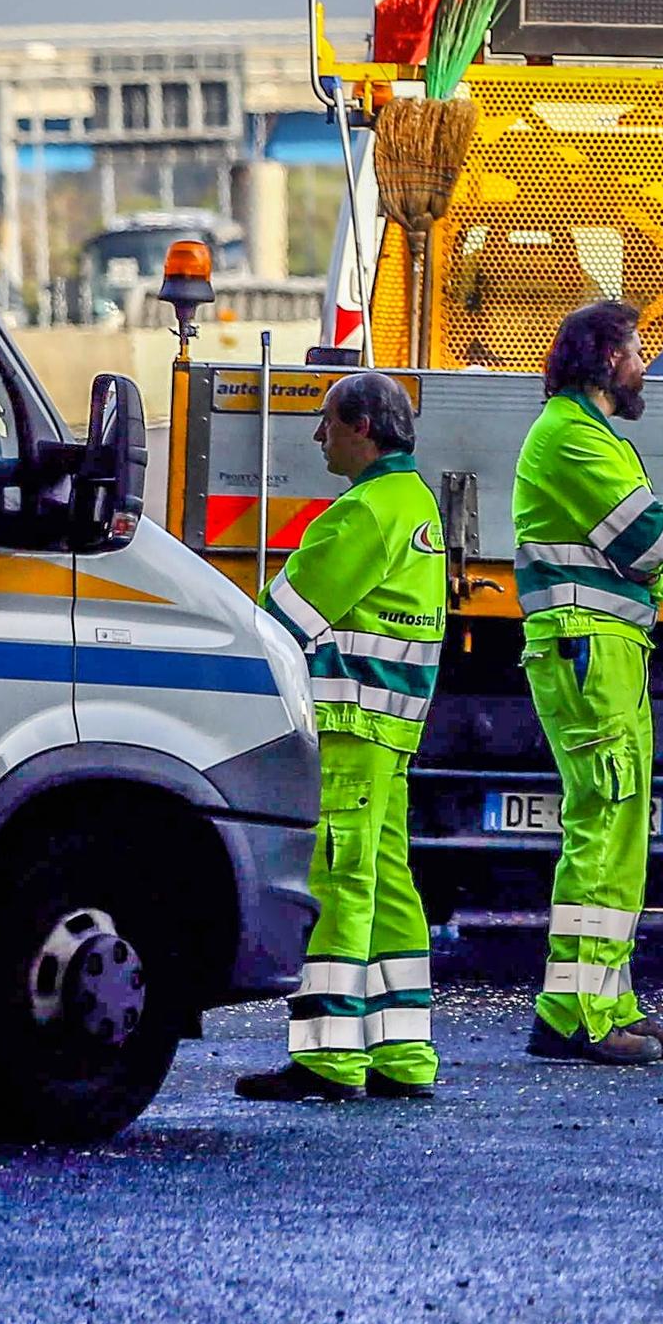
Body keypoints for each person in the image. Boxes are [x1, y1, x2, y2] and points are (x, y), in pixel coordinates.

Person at [239, 372, 448, 1102]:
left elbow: (278, 622)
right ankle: (403, 1052)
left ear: (363, 425)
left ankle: (327, 1056)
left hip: (350, 725)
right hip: (389, 728)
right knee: (388, 882)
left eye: (327, 420)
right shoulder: (413, 503)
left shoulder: (362, 513)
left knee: (336, 879)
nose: (318, 434)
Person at [517, 300, 663, 1065]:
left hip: (611, 652)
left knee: (621, 830)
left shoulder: (591, 436)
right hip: (590, 652)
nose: (644, 362)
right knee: (600, 825)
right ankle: (575, 1017)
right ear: (605, 360)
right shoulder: (572, 437)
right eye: (638, 349)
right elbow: (651, 542)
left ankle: (605, 1000)